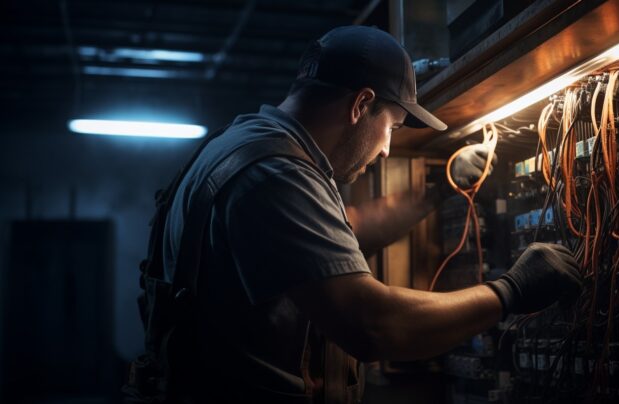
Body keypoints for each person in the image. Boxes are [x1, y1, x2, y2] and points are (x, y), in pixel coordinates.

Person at [135, 25, 582, 403]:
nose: (388, 148)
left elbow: (338, 238)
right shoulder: (275, 173)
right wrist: (510, 291)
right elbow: (371, 324)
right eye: (391, 127)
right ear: (360, 105)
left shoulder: (248, 145)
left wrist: (439, 191)